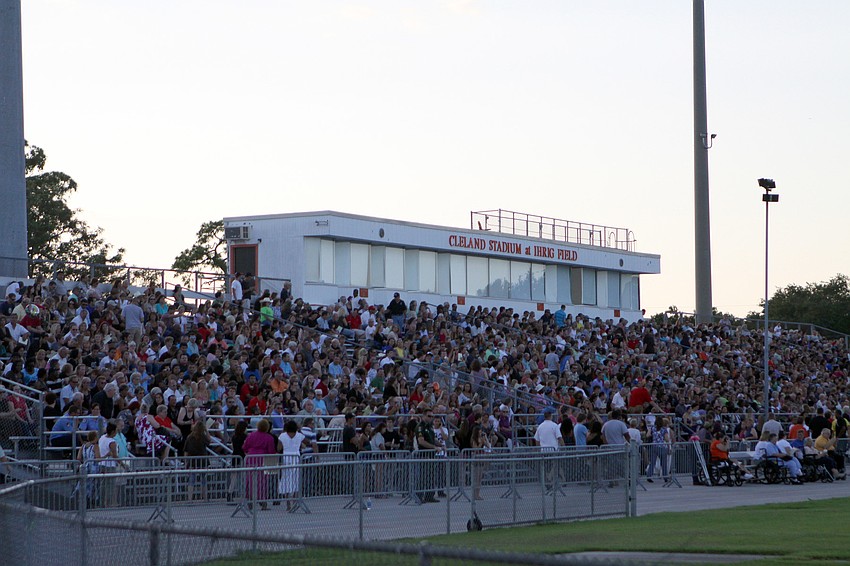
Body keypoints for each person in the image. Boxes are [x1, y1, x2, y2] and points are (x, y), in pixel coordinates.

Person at [242, 419, 277, 510]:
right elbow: (271, 451)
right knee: (262, 482)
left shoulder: (251, 435)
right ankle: (262, 501)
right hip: (263, 460)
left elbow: (245, 447)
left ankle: (250, 500)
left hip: (250, 459)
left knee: (249, 481)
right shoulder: (269, 438)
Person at [278, 420, 312, 511]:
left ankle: (288, 503)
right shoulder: (299, 435)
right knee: (295, 479)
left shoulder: (282, 436)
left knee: (286, 479)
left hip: (286, 457)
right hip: (296, 458)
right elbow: (308, 442)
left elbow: (279, 448)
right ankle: (294, 501)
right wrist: (299, 432)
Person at [183, 420, 211, 501]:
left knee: (191, 481)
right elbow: (209, 441)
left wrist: (186, 462)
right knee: (204, 480)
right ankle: (205, 497)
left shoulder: (189, 437)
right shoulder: (203, 437)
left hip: (192, 461)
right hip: (203, 461)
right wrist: (206, 430)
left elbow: (186, 451)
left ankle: (189, 499)